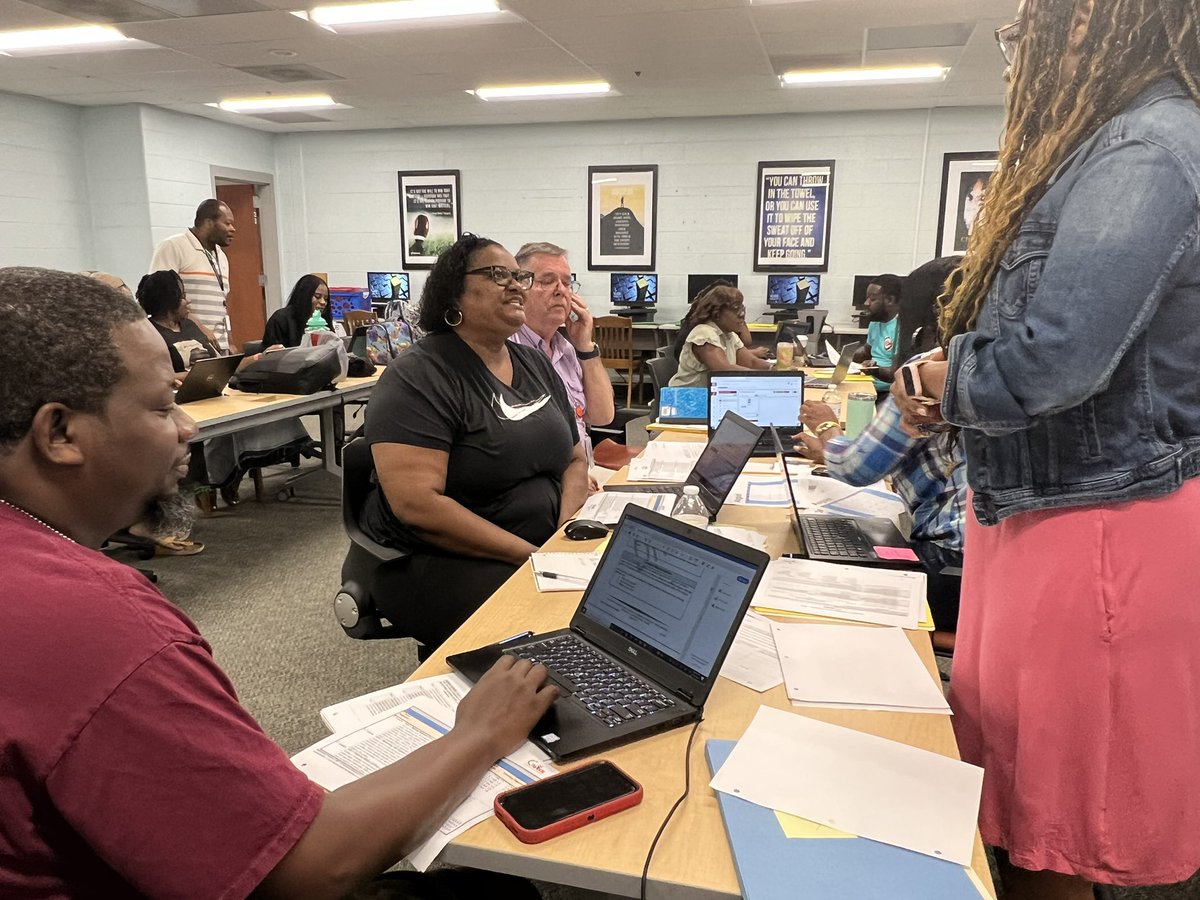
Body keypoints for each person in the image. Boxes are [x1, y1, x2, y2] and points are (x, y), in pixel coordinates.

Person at [0, 266, 558, 899]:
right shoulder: (98, 626)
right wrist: (481, 731)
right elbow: (305, 871)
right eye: (162, 406)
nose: (188, 427)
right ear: (59, 433)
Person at [890, 2, 1200, 897]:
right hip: (1046, 511)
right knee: (1023, 803)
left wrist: (942, 387)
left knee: (1056, 826)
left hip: (1097, 523)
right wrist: (946, 388)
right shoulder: (1114, 144)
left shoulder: (1146, 149)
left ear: (1095, 23)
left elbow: (1058, 356)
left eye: (1030, 29)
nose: (1018, 54)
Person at [361, 234, 589, 653]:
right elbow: (418, 505)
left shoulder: (532, 362)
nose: (516, 285)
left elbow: (575, 457)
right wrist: (532, 557)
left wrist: (563, 532)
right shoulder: (420, 375)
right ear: (455, 293)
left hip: (540, 545)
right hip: (439, 558)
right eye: (498, 274)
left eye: (519, 276)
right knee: (560, 634)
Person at [794, 257, 966, 632]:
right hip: (989, 569)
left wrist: (825, 426)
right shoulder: (995, 369)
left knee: (802, 566)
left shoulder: (928, 370)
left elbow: (857, 468)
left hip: (945, 567)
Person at [137, 270, 312, 508]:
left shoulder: (191, 327)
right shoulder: (148, 333)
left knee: (257, 416)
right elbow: (149, 375)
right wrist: (187, 376)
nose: (187, 302)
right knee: (223, 430)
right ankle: (221, 479)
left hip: (215, 392)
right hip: (181, 402)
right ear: (168, 300)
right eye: (182, 296)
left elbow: (222, 365)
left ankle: (232, 474)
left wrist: (260, 357)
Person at [511, 241, 615, 467]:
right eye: (547, 281)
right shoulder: (507, 350)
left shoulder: (566, 349)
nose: (560, 290)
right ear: (519, 288)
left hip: (586, 472)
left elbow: (602, 416)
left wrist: (585, 347)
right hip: (550, 482)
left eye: (567, 283)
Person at [149, 199, 236, 338]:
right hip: (189, 341)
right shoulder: (173, 246)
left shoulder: (221, 255)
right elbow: (161, 297)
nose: (233, 229)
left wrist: (229, 338)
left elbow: (223, 304)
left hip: (219, 343)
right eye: (227, 223)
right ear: (208, 223)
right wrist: (200, 329)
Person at [668, 284, 771, 387]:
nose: (741, 314)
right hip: (686, 398)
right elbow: (723, 371)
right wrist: (764, 377)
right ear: (717, 313)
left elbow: (751, 362)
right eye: (735, 309)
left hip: (709, 396)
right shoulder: (704, 333)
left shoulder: (729, 334)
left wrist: (775, 369)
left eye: (742, 308)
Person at [852, 273, 901, 389]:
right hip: (868, 383)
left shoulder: (903, 329)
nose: (866, 303)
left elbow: (895, 374)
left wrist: (873, 369)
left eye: (872, 299)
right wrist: (844, 358)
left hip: (887, 392)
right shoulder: (875, 321)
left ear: (890, 300)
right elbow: (866, 351)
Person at [263, 274, 332, 348]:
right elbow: (272, 355)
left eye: (326, 298)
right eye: (317, 296)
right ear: (304, 296)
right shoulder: (281, 319)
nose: (323, 302)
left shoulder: (324, 319)